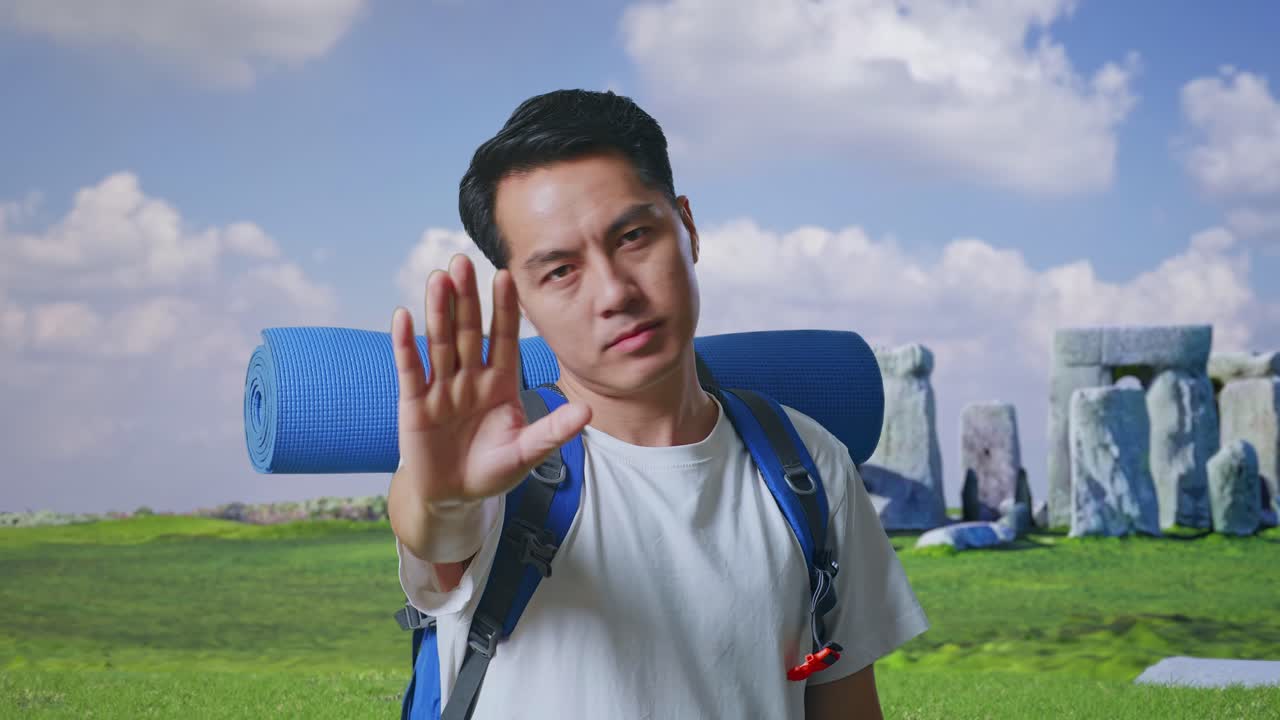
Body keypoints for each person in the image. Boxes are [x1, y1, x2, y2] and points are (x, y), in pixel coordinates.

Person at [387, 88, 928, 719]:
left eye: (633, 236)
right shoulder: (495, 469)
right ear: (521, 300)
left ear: (688, 228)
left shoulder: (810, 464)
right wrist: (444, 501)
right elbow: (437, 524)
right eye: (560, 271)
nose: (614, 292)